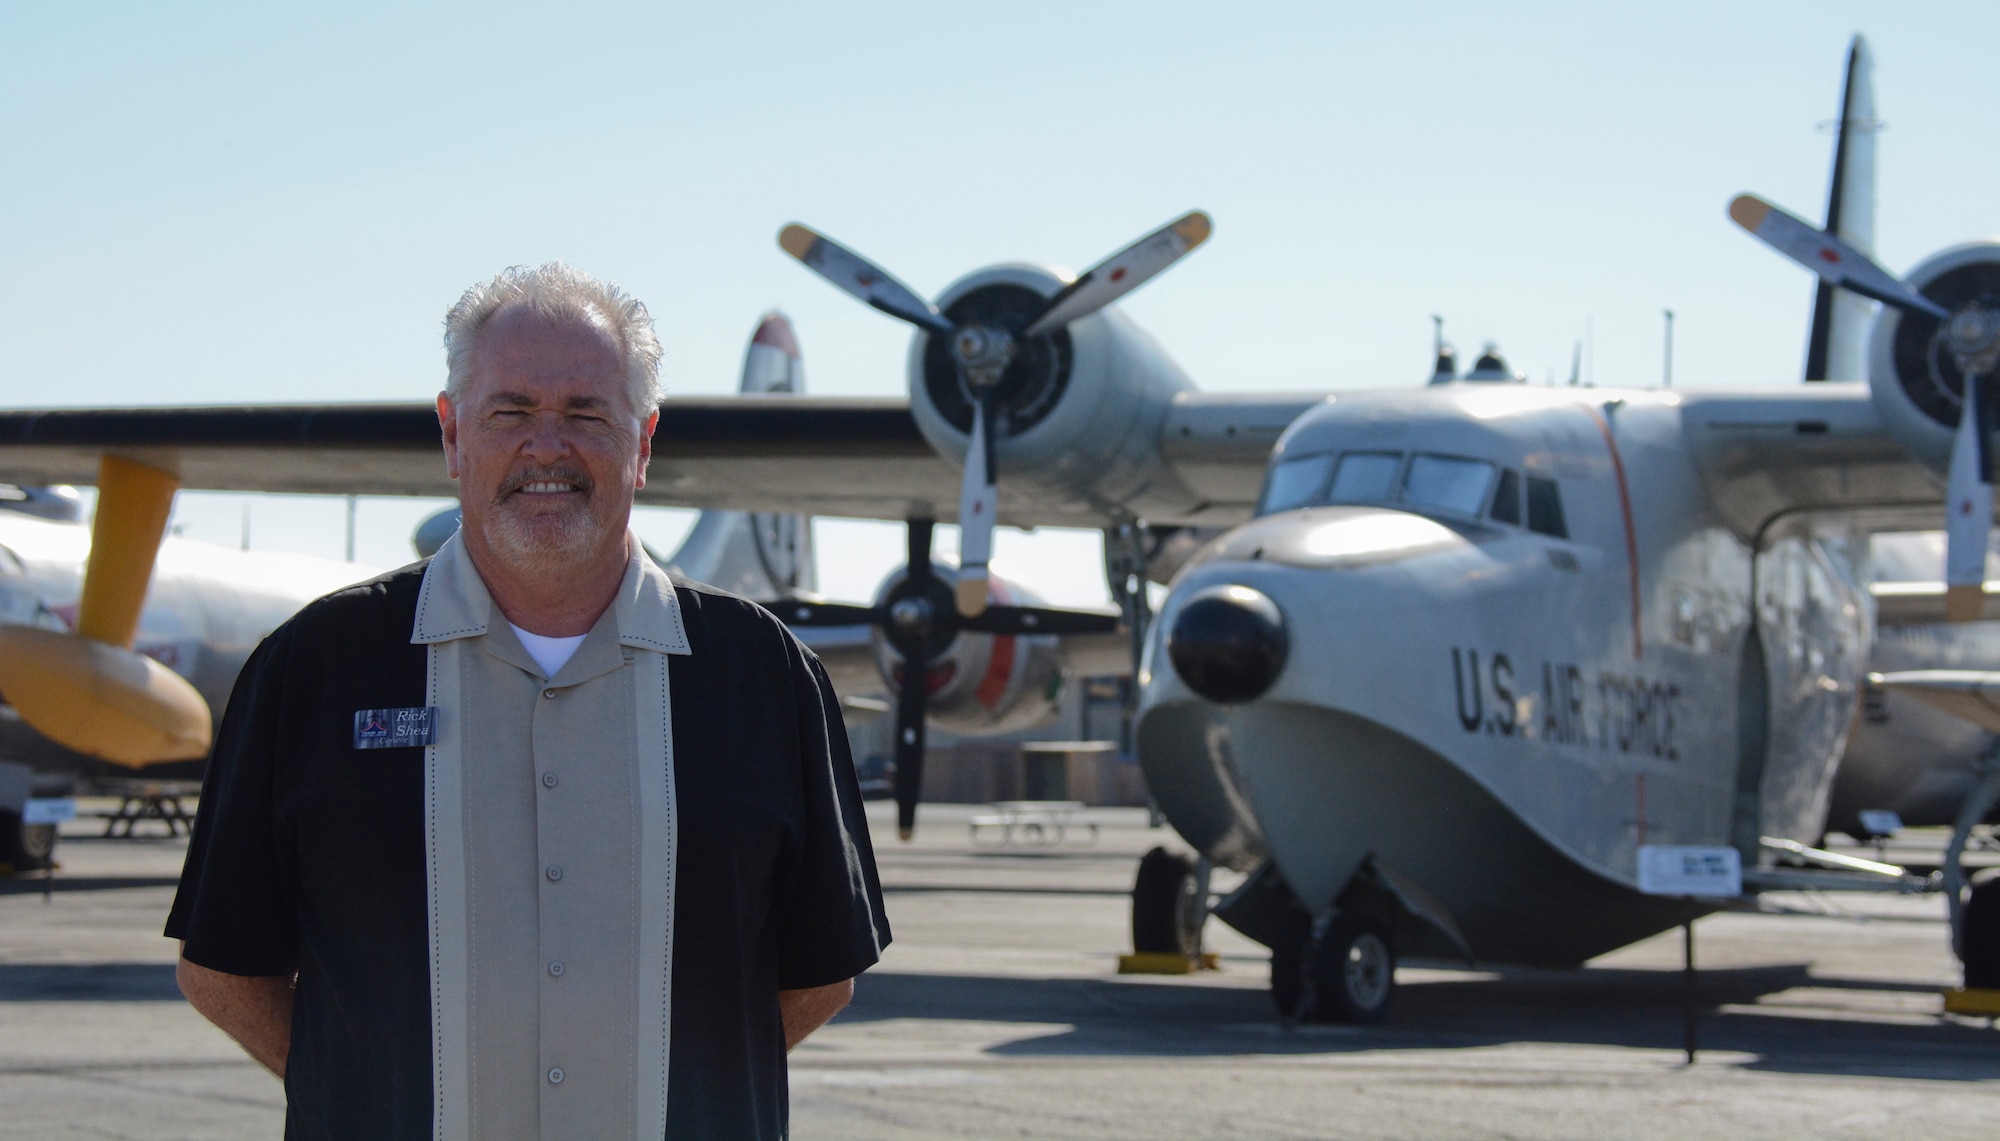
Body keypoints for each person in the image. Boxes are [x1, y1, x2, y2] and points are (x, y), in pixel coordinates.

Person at [166, 262, 889, 1139]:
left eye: (588, 413)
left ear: (645, 442)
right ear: (453, 434)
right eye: (510, 411)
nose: (548, 446)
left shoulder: (767, 676)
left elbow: (820, 975)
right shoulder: (310, 668)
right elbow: (222, 971)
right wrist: (372, 1083)